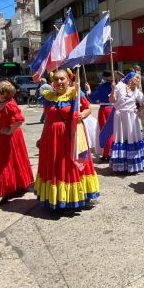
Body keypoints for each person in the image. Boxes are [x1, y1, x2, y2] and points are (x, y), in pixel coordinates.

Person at [35, 69, 100, 210]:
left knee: (70, 166)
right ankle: (57, 198)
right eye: (56, 79)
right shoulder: (48, 97)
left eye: (62, 79)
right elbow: (47, 120)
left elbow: (88, 108)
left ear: (68, 80)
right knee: (54, 166)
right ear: (52, 82)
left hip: (71, 136)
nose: (59, 82)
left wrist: (82, 115)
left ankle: (72, 198)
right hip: (51, 138)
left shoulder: (75, 93)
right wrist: (41, 138)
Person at [0, 81, 34, 206]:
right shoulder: (0, 103)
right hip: (3, 135)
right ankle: (15, 185)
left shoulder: (9, 104)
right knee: (11, 160)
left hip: (11, 135)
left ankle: (3, 191)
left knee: (4, 162)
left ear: (3, 93)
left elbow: (19, 120)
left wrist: (9, 131)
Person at [111, 71, 144, 173]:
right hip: (120, 117)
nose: (138, 80)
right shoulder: (119, 86)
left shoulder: (137, 91)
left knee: (133, 138)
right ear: (130, 78)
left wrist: (139, 109)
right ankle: (121, 165)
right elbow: (112, 100)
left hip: (132, 118)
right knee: (121, 138)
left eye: (139, 78)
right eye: (136, 78)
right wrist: (112, 89)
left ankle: (134, 164)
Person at [89, 71, 115, 160]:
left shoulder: (103, 86)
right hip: (115, 109)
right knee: (114, 132)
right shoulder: (118, 86)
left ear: (104, 77)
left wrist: (88, 90)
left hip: (105, 110)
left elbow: (92, 98)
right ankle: (113, 152)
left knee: (105, 132)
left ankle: (106, 153)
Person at [130, 65, 144, 140]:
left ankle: (137, 137)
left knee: (134, 122)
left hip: (134, 103)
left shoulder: (131, 79)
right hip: (142, 102)